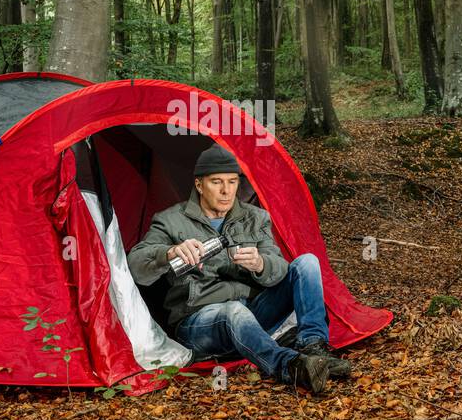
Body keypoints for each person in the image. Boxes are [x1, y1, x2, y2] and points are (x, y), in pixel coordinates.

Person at [127, 143, 352, 395]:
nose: (226, 191)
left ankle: (314, 348)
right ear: (199, 185)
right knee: (233, 311)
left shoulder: (255, 217)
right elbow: (136, 267)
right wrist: (168, 252)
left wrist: (260, 264)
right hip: (200, 322)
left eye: (232, 182)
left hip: (254, 312)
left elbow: (279, 269)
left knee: (307, 263)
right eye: (217, 182)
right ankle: (290, 366)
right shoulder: (170, 220)